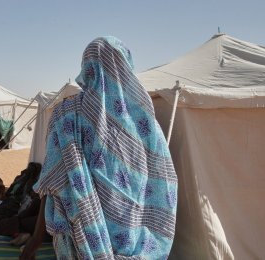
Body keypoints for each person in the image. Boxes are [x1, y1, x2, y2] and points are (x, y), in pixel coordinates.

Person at [20, 37, 178, 259]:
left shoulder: (66, 114)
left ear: (86, 66)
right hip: (134, 239)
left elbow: (52, 181)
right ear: (127, 65)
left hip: (82, 239)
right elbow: (164, 182)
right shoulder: (142, 116)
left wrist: (36, 240)